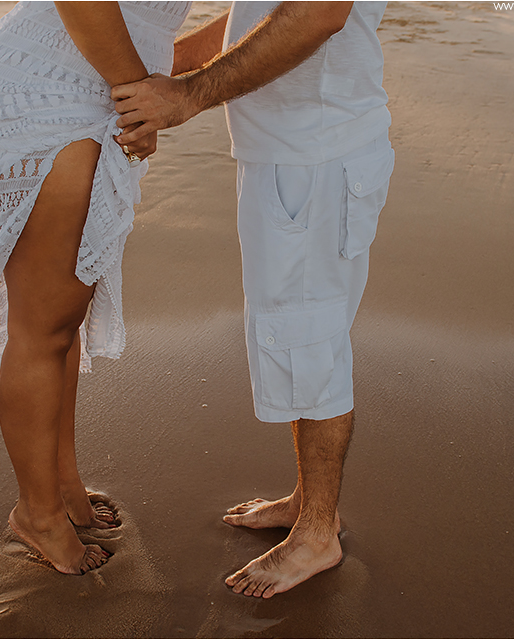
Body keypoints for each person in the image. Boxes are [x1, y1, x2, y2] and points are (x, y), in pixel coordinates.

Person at [113, 1, 394, 598]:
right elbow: (263, 13)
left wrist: (187, 95)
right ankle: (307, 503)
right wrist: (170, 64)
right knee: (299, 333)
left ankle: (319, 532)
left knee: (312, 342)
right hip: (294, 151)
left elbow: (319, 14)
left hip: (315, 156)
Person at [0, 1, 190, 575]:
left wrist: (177, 89)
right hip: (57, 85)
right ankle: (37, 513)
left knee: (62, 314)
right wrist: (139, 95)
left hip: (99, 83)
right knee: (43, 323)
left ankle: (62, 487)